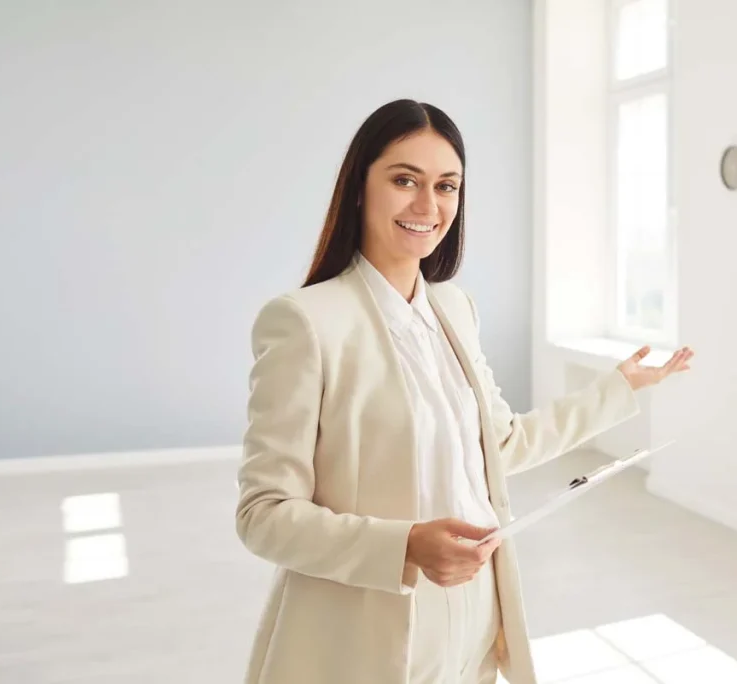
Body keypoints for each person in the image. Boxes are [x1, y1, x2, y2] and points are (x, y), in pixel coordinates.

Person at [235, 99, 693, 684]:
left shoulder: (455, 307)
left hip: (475, 618)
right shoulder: (305, 321)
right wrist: (405, 545)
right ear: (358, 188)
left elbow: (497, 446)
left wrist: (618, 388)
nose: (428, 205)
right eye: (405, 180)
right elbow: (264, 515)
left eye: (447, 185)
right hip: (364, 630)